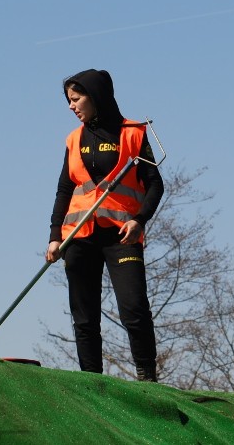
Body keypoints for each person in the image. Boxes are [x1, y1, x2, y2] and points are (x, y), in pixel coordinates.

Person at [45, 69, 164, 382]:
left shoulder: (135, 132)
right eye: (68, 100)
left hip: (121, 235)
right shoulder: (73, 140)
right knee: (84, 318)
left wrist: (140, 220)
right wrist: (55, 237)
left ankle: (147, 377)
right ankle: (91, 383)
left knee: (134, 309)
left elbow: (155, 184)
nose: (71, 106)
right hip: (78, 236)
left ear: (95, 96)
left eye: (76, 98)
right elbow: (64, 189)